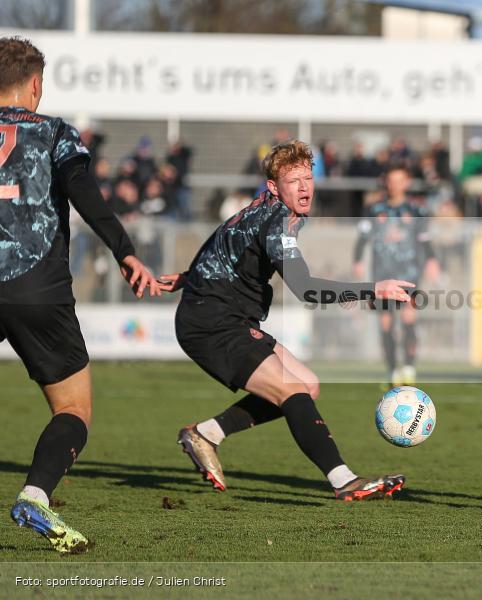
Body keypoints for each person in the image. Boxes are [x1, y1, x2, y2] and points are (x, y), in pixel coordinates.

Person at [158, 140, 411, 500]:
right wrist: (374, 289)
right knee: (291, 391)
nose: (304, 186)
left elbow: (224, 239)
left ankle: (207, 433)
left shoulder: (264, 209)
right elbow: (306, 289)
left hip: (222, 313)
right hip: (212, 321)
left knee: (306, 384)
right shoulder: (278, 220)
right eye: (294, 181)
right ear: (274, 187)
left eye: (308, 177)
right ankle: (343, 480)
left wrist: (189, 276)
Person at [0, 36, 159, 553]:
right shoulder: (53, 133)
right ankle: (35, 494)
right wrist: (125, 250)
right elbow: (83, 191)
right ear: (35, 85)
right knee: (73, 408)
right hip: (36, 287)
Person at [353, 164, 440, 387]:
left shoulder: (416, 210)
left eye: (400, 180)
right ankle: (392, 371)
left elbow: (425, 240)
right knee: (385, 324)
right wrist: (358, 260)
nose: (396, 185)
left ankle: (409, 368)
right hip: (382, 274)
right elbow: (362, 238)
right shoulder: (374, 209)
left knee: (409, 318)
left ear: (407, 182)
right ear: (386, 183)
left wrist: (431, 260)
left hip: (409, 273)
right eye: (392, 180)